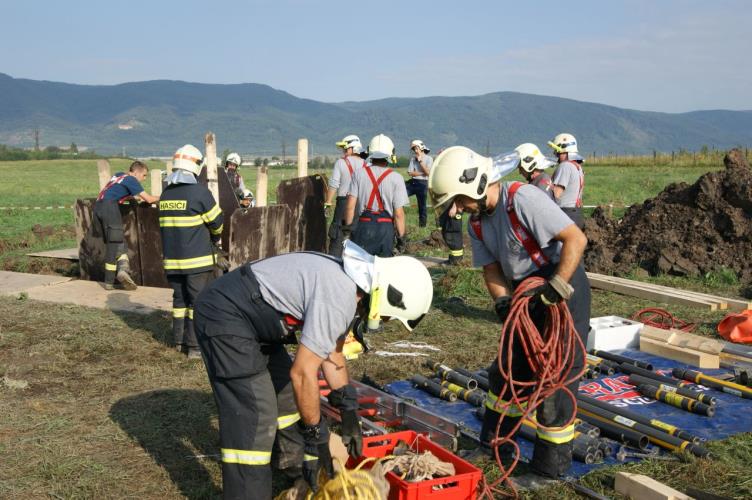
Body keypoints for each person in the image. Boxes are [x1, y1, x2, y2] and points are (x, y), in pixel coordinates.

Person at [193, 240, 433, 498]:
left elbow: (333, 355)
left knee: (285, 396)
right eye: (387, 317)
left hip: (252, 319)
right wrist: (316, 433)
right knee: (255, 414)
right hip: (225, 316)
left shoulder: (349, 288)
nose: (382, 321)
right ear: (387, 297)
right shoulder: (339, 297)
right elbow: (303, 373)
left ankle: (301, 472)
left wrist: (348, 409)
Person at [428, 146, 590, 484]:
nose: (456, 211)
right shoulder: (478, 223)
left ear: (473, 183)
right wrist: (503, 301)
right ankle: (495, 445)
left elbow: (575, 239)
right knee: (508, 370)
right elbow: (492, 268)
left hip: (561, 286)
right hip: (524, 294)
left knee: (556, 378)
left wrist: (557, 286)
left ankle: (549, 468)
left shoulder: (522, 199)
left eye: (458, 200)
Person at [159, 144, 228, 359]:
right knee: (197, 303)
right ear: (196, 166)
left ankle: (178, 341)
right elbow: (217, 224)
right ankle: (195, 347)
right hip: (197, 262)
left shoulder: (165, 195)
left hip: (172, 262)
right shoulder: (199, 193)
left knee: (179, 301)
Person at [93, 160, 159, 290]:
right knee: (114, 244)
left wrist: (131, 198)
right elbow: (149, 199)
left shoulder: (119, 175)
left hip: (98, 208)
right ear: (136, 172)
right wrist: (164, 197)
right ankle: (109, 282)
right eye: (144, 175)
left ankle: (123, 269)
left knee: (117, 241)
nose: (144, 179)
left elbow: (118, 191)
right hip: (110, 208)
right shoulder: (131, 180)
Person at [343, 134, 409, 257]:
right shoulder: (397, 178)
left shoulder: (358, 174)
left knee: (361, 269)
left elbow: (350, 207)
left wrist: (347, 231)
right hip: (385, 229)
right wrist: (401, 239)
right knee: (383, 270)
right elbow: (399, 214)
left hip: (363, 227)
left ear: (370, 153)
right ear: (390, 154)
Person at [325, 135, 365, 257]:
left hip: (343, 202)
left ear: (354, 149)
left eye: (346, 149)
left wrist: (328, 202)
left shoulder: (340, 163)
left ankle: (334, 260)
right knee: (357, 232)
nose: (344, 151)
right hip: (360, 204)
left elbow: (334, 184)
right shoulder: (366, 164)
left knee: (338, 232)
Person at [548, 133, 585, 228]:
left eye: (557, 151)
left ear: (565, 150)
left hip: (565, 214)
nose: (556, 154)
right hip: (577, 214)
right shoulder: (578, 167)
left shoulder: (565, 166)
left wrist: (546, 185)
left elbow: (557, 194)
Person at [405, 139, 433, 227]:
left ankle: (422, 226)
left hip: (423, 183)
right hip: (413, 182)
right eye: (413, 149)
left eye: (415, 148)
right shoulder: (413, 159)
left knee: (422, 206)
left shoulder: (429, 159)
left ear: (421, 147)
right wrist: (422, 173)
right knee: (401, 194)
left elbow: (428, 173)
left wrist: (420, 161)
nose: (414, 151)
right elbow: (410, 172)